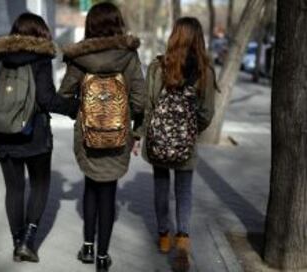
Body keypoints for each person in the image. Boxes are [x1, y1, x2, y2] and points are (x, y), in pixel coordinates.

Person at [0, 12, 79, 263]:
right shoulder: (40, 58)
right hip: (34, 134)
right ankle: (27, 242)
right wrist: (74, 108)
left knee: (13, 189)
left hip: (3, 134)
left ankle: (16, 243)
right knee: (40, 185)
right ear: (40, 33)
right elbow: (46, 99)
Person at [58, 3, 145, 271]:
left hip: (87, 136)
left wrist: (84, 114)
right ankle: (103, 257)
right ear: (117, 23)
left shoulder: (79, 58)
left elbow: (64, 95)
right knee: (108, 192)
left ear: (91, 25)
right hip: (118, 137)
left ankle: (87, 248)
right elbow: (141, 101)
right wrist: (131, 127)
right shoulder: (129, 56)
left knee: (91, 187)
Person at [141, 17, 216, 271]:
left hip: (159, 141)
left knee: (161, 186)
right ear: (199, 39)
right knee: (184, 190)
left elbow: (149, 106)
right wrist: (191, 131)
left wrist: (145, 133)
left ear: (174, 36)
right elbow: (206, 113)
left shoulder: (158, 67)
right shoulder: (205, 71)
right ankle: (182, 240)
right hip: (186, 144)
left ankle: (164, 237)